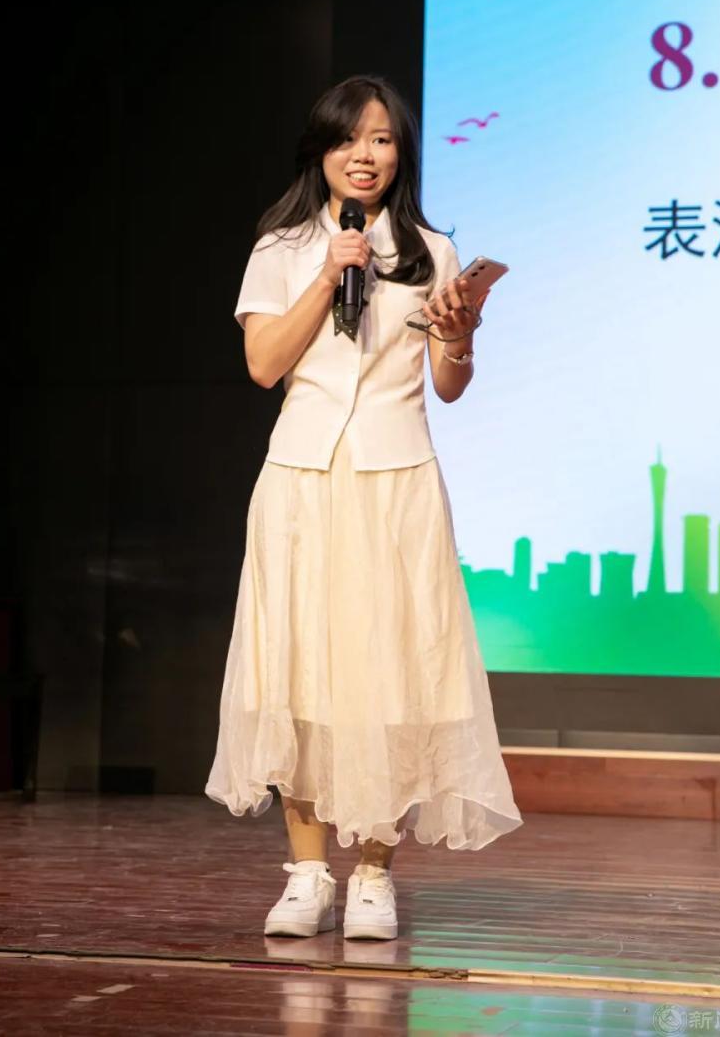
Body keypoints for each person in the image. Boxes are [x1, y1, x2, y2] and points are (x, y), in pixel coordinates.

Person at [204, 74, 523, 941]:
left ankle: (375, 874)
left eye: (382, 139)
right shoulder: (282, 247)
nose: (365, 155)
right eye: (349, 139)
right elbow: (263, 365)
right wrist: (326, 275)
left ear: (401, 153)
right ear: (322, 150)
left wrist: (459, 334)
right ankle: (308, 874)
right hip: (302, 480)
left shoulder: (430, 250)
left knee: (394, 675)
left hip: (396, 481)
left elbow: (449, 385)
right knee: (297, 673)